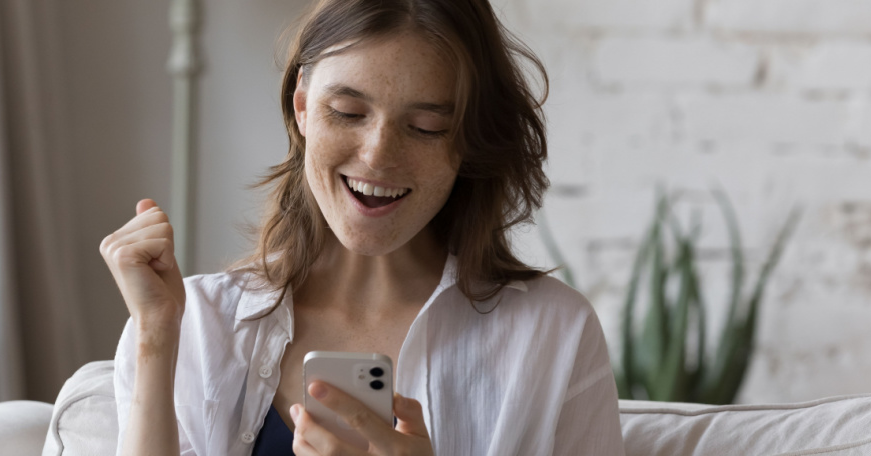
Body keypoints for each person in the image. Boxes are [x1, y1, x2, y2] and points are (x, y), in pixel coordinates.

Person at [102, 0, 625, 454]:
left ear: (467, 140)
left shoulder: (552, 334)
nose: (377, 155)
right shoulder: (195, 325)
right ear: (302, 104)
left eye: (426, 128)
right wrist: (155, 337)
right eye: (348, 112)